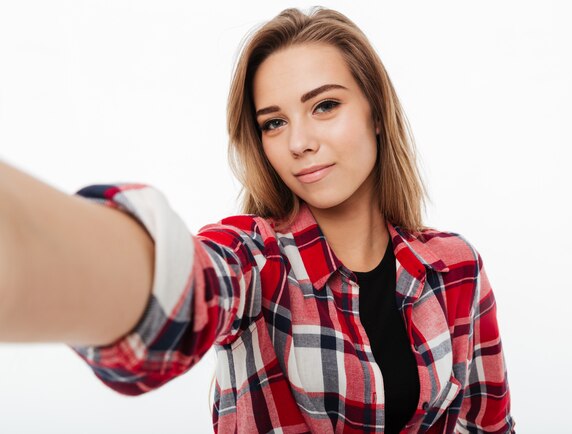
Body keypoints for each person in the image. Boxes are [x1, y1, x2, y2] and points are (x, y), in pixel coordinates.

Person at [0, 7, 515, 434]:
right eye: (274, 122)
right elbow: (186, 289)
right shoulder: (257, 259)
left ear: (376, 112)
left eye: (325, 106)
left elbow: (491, 425)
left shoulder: (455, 266)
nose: (298, 143)